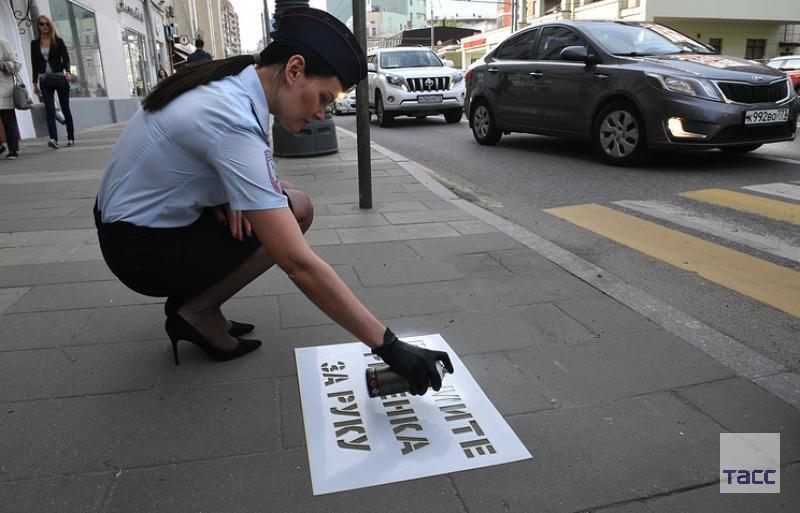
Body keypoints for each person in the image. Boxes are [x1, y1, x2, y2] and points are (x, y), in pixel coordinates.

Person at [94, 7, 453, 396]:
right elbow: (297, 262)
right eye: (322, 98)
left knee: (291, 202)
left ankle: (199, 304)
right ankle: (193, 312)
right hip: (141, 253)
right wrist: (388, 345)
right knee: (294, 214)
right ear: (294, 70)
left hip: (132, 227)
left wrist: (229, 194)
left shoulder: (234, 84)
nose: (321, 114)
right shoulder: (230, 117)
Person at [31, 15, 75, 149]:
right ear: (38, 26)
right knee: (49, 110)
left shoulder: (58, 41)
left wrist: (68, 72)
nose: (44, 26)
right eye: (41, 24)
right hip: (44, 80)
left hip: (60, 79)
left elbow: (66, 59)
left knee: (65, 108)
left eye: (47, 24)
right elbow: (34, 64)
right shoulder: (34, 44)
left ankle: (71, 137)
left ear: (50, 26)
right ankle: (53, 139)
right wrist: (35, 83)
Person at [0, 37, 22, 160]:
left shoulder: (2, 42)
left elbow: (17, 64)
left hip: (3, 89)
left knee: (8, 121)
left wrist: (4, 65)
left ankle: (13, 149)